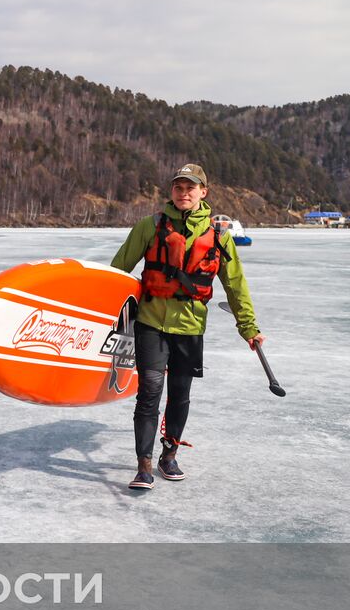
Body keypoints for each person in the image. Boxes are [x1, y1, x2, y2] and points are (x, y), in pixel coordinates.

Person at [111, 163, 264, 491]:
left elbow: (235, 286)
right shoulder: (148, 226)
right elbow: (117, 272)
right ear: (172, 191)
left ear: (203, 192)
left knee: (179, 395)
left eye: (190, 188)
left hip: (190, 327)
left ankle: (169, 456)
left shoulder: (220, 236)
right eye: (178, 188)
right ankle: (144, 465)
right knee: (149, 392)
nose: (183, 193)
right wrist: (96, 315)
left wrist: (248, 328)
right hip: (150, 322)